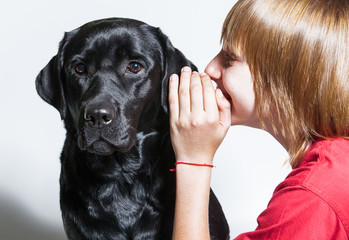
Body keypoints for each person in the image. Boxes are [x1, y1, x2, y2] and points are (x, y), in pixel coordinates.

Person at [168, 0, 349, 239]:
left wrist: (194, 160)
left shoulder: (310, 199)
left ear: (295, 78)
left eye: (229, 58)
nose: (210, 69)